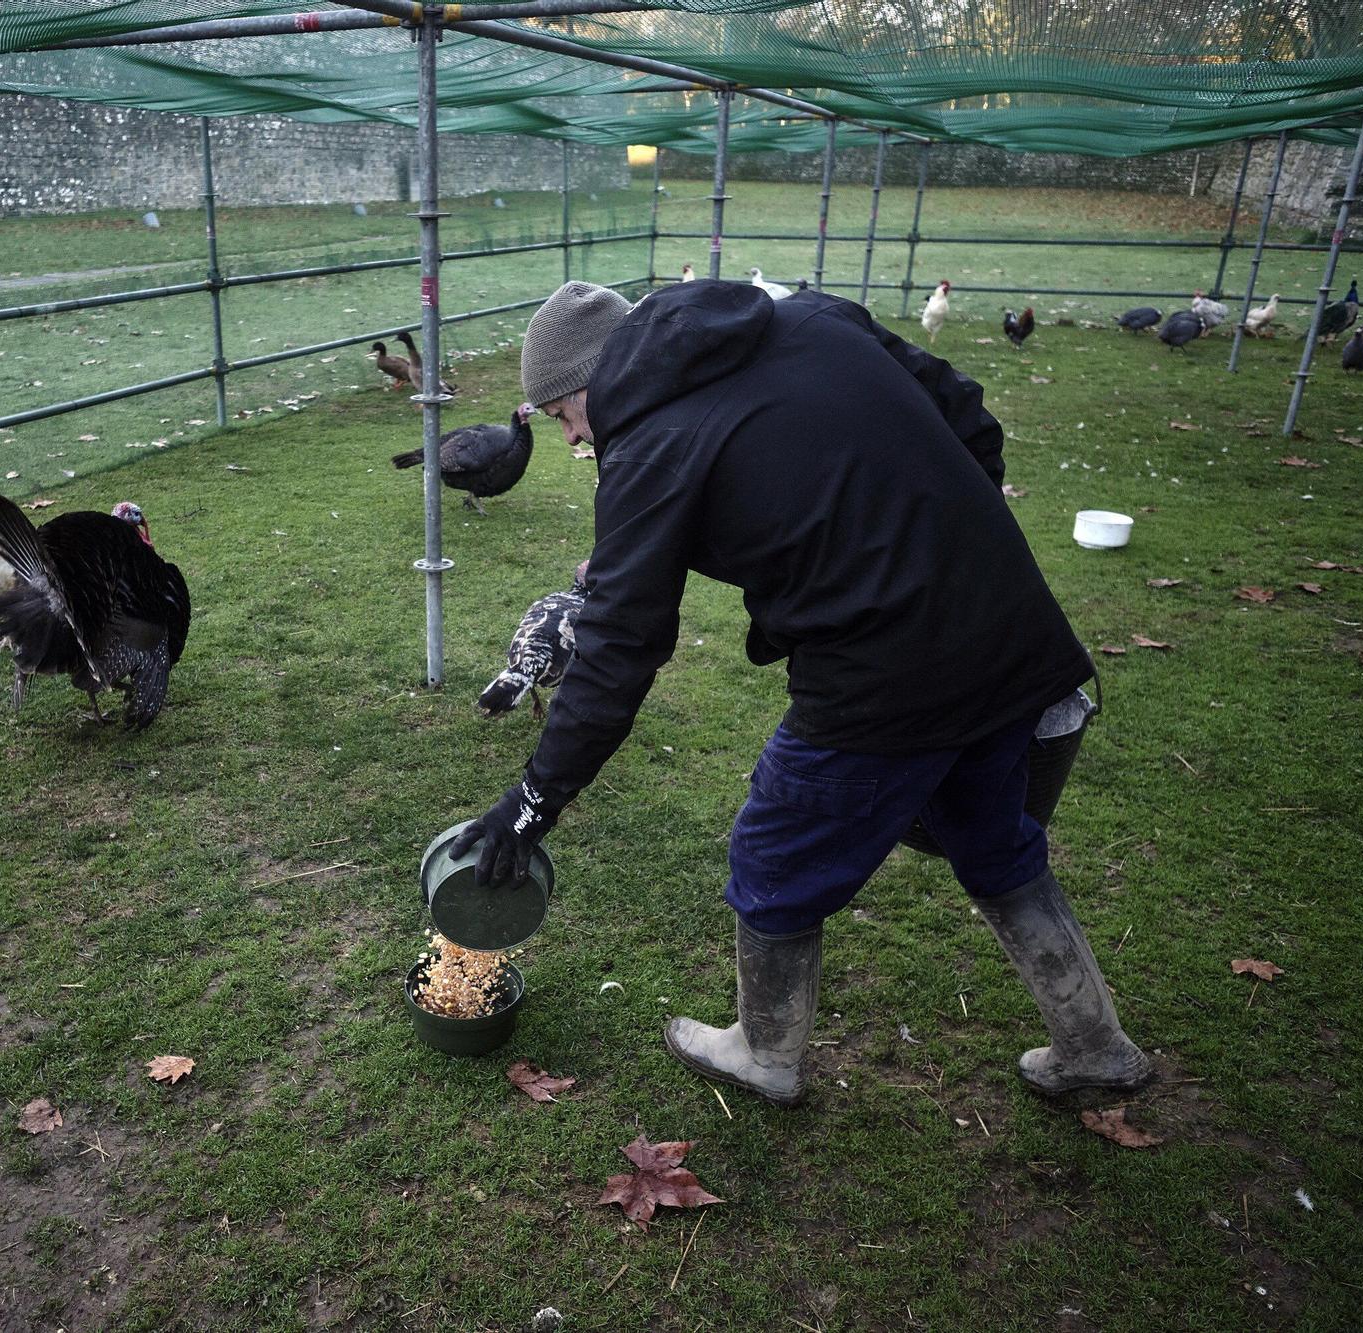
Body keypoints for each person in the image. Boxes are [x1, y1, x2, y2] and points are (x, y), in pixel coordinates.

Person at [449, 279, 1150, 1106]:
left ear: (584, 388)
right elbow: (963, 408)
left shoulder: (647, 443)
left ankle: (764, 1053)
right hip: (1004, 619)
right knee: (991, 835)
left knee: (774, 856)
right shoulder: (803, 315)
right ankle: (1095, 1044)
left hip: (881, 669)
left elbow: (619, 648)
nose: (576, 442)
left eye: (569, 424)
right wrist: (935, 534)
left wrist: (533, 800)